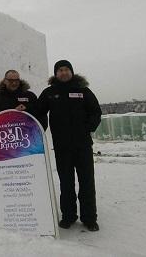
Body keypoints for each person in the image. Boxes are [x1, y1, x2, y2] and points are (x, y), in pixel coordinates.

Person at [36, 60, 102, 231]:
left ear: (71, 72)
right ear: (55, 74)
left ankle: (89, 218)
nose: (63, 73)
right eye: (60, 70)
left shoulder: (83, 91)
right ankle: (68, 216)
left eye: (66, 70)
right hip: (62, 146)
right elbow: (38, 112)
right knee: (66, 182)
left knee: (86, 181)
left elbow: (95, 111)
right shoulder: (50, 92)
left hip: (83, 145)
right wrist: (40, 128)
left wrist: (88, 127)